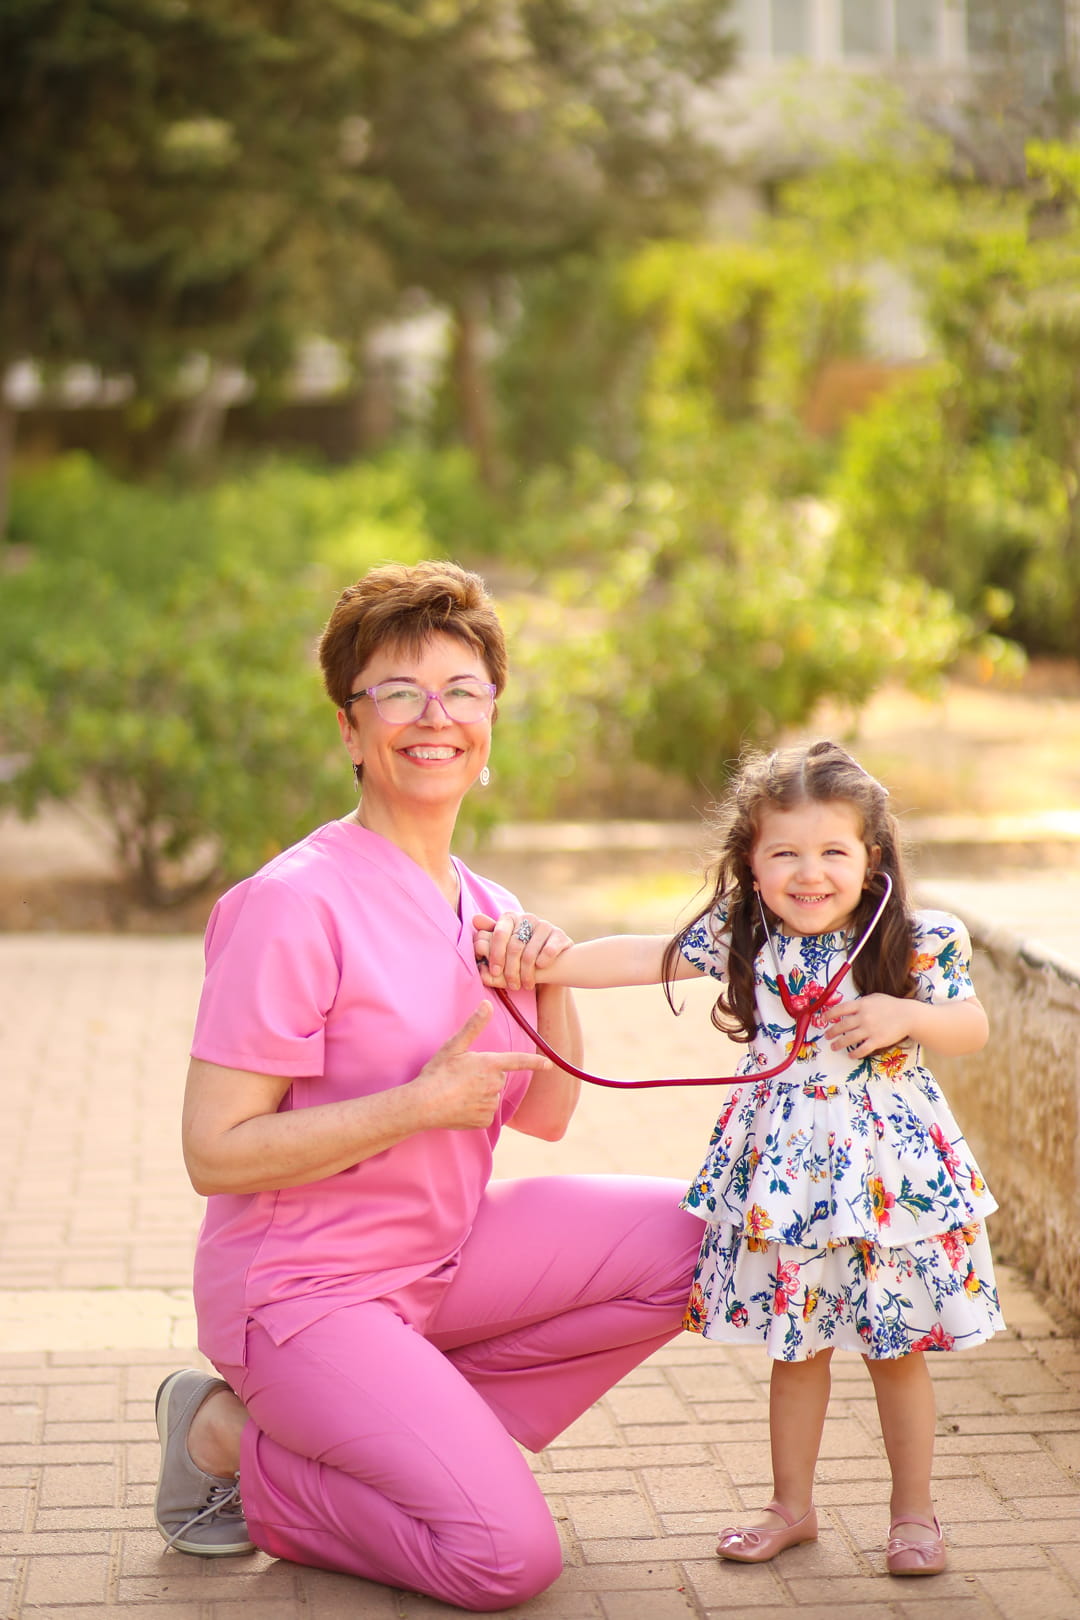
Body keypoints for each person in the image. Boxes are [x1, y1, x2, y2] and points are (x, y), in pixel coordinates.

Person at [153, 559, 704, 1612]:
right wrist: (415, 1105)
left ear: (490, 721)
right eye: (399, 693)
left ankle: (410, 1429)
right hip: (303, 1292)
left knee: (702, 1237)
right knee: (503, 1560)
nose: (434, 716)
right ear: (351, 731)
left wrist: (549, 978)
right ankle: (224, 1437)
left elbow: (549, 1113)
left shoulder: (487, 903)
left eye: (461, 691)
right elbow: (212, 1151)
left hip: (441, 1262)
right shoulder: (291, 905)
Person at [476, 739, 1003, 1580]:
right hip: (787, 1179)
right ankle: (790, 1507)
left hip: (884, 1181)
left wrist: (904, 1016)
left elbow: (969, 1026)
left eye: (833, 852)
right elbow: (644, 956)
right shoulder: (743, 933)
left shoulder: (918, 939)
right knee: (796, 1348)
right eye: (784, 853)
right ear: (751, 864)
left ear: (872, 860)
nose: (809, 873)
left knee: (896, 1347)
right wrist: (551, 961)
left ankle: (914, 1513)